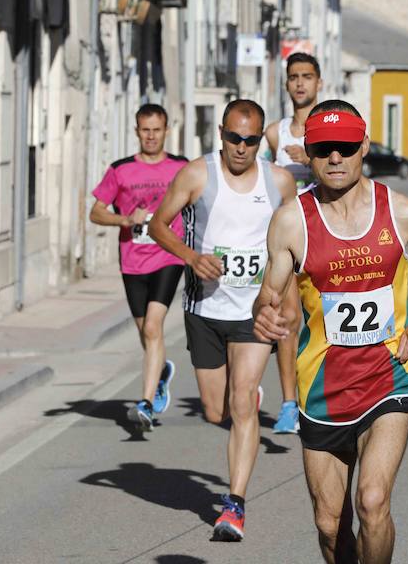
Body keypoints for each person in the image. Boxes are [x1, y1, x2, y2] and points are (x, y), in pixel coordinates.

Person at [252, 99, 408, 564]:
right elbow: (268, 298)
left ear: (364, 147)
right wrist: (263, 315)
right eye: (324, 148)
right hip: (322, 388)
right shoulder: (291, 221)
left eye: (345, 147)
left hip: (390, 375)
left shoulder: (401, 212)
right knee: (330, 525)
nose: (335, 157)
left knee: (372, 501)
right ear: (308, 152)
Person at [149, 99, 297, 541]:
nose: (242, 148)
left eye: (251, 141)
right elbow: (159, 225)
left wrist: (288, 301)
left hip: (255, 311)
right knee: (217, 411)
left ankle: (234, 505)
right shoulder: (197, 175)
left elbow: (292, 243)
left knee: (241, 404)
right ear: (221, 133)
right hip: (204, 311)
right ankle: (242, 396)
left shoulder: (280, 182)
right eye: (234, 138)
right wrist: (191, 258)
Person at [90, 103, 186, 431]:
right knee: (145, 330)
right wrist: (123, 219)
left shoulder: (181, 168)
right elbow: (96, 212)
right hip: (133, 260)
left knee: (153, 328)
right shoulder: (121, 170)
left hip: (168, 256)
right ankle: (159, 373)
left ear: (166, 131)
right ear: (136, 131)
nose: (150, 136)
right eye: (145, 130)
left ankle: (145, 402)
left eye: (156, 130)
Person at [264, 52, 322, 434]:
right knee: (287, 319)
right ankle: (289, 404)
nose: (300, 83)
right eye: (293, 77)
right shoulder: (274, 132)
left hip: (323, 233)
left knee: (322, 320)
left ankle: (319, 397)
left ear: (319, 82)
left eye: (307, 76)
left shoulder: (329, 127)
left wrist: (311, 156)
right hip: (286, 237)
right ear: (286, 84)